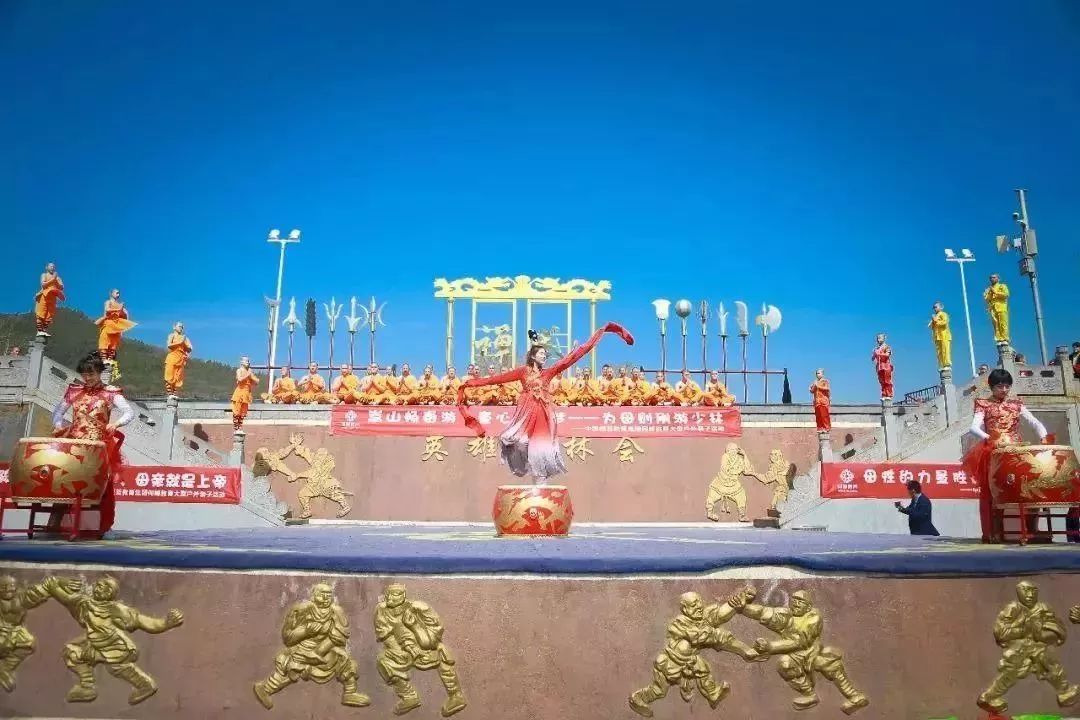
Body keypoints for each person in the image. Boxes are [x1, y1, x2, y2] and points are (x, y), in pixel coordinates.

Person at [457, 323, 634, 485]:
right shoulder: (523, 372)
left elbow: (570, 360)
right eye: (541, 354)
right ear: (533, 356)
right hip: (525, 414)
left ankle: (540, 488)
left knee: (541, 453)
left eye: (545, 354)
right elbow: (497, 379)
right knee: (516, 440)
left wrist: (595, 337)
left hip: (543, 414)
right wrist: (471, 384)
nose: (544, 356)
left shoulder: (548, 373)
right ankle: (525, 462)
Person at [50, 352, 134, 535]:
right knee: (65, 481)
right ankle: (55, 524)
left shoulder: (110, 393)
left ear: (100, 372)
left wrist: (116, 424)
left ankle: (102, 527)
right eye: (84, 374)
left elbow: (129, 412)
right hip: (74, 445)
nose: (87, 378)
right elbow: (57, 412)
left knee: (100, 484)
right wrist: (59, 425)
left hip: (98, 446)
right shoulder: (75, 391)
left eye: (91, 374)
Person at [964, 368, 1049, 542]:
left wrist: (1044, 437)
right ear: (992, 387)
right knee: (995, 492)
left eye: (1007, 386)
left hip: (1017, 451)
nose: (1004, 390)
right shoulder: (983, 404)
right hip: (995, 452)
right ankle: (995, 532)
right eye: (1000, 386)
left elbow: (1035, 422)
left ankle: (1032, 529)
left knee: (1030, 487)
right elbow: (973, 428)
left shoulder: (1016, 404)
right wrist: (990, 438)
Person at [93, 289, 136, 363]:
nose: (118, 295)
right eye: (117, 293)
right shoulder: (108, 302)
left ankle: (109, 361)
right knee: (104, 342)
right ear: (111, 294)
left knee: (113, 345)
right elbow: (107, 309)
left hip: (116, 326)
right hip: (108, 324)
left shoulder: (119, 305)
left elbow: (125, 314)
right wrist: (118, 309)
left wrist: (123, 314)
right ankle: (104, 360)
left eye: (119, 293)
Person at [33, 262, 65, 336]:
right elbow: (43, 285)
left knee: (49, 314)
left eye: (53, 267)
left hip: (53, 296)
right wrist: (52, 279)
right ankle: (39, 330)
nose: (52, 268)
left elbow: (61, 287)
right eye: (51, 266)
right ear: (46, 268)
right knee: (41, 313)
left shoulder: (58, 278)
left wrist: (55, 279)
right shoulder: (44, 275)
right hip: (44, 295)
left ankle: (44, 330)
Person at [163, 322, 192, 397]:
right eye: (179, 326)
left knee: (178, 377)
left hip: (181, 358)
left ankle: (175, 393)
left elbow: (190, 348)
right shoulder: (171, 335)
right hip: (172, 357)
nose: (181, 328)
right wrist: (180, 342)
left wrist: (184, 343)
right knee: (169, 375)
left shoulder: (185, 338)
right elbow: (169, 345)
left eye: (182, 327)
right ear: (174, 327)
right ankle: (170, 394)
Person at [230, 357, 258, 432]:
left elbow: (257, 381)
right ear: (242, 362)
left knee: (243, 412)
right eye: (247, 361)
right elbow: (239, 379)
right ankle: (236, 428)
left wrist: (252, 378)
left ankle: (240, 427)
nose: (248, 363)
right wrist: (248, 374)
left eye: (248, 361)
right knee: (237, 412)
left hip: (246, 393)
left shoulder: (249, 372)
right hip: (239, 392)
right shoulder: (239, 370)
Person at [984, 273, 1010, 346]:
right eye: (991, 278)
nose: (992, 279)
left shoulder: (1002, 286)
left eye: (994, 277)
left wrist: (995, 292)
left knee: (1003, 323)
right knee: (996, 324)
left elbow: (1006, 295)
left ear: (998, 279)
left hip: (1001, 307)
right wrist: (988, 294)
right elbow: (987, 299)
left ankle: (1005, 338)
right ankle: (999, 339)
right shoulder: (989, 289)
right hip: (993, 308)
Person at [928, 302, 951, 370]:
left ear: (941, 307)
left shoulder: (943, 314)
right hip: (937, 336)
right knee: (939, 352)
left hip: (944, 335)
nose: (934, 309)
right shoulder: (935, 316)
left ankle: (947, 364)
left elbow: (945, 322)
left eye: (936, 307)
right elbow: (930, 326)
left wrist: (935, 320)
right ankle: (941, 365)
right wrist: (933, 321)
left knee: (945, 350)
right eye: (934, 307)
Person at [871, 333, 893, 400]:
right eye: (877, 338)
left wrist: (879, 354)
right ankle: (884, 394)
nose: (878, 340)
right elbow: (872, 358)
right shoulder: (876, 348)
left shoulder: (886, 347)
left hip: (886, 366)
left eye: (879, 338)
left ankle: (889, 394)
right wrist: (874, 354)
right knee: (882, 381)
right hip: (879, 367)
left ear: (884, 338)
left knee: (887, 381)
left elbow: (887, 355)